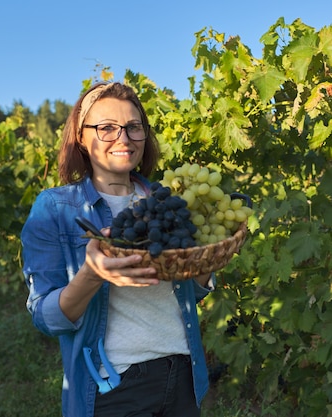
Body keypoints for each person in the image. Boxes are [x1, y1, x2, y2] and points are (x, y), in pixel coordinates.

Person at [21, 82, 214, 417]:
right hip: (115, 385)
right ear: (81, 136)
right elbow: (46, 318)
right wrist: (92, 275)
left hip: (183, 372)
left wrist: (204, 259)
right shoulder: (55, 208)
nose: (123, 138)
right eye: (106, 128)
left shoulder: (165, 200)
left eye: (133, 127)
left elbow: (190, 292)